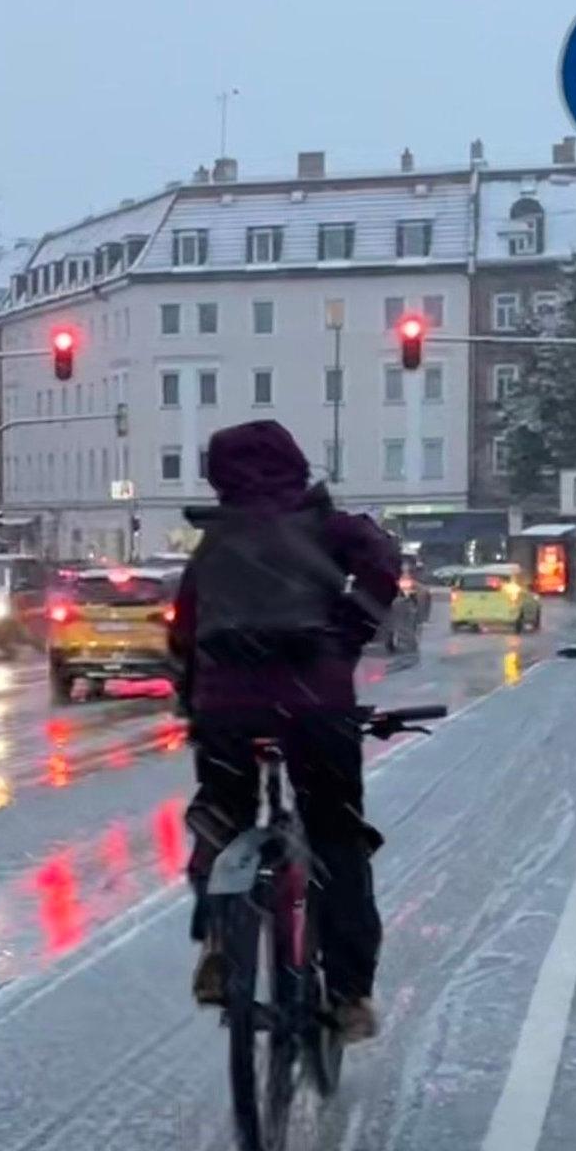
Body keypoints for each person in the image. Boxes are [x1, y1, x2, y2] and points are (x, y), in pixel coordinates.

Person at [167, 419, 403, 1040]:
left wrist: (195, 708)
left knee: (220, 818)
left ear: (218, 476)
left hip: (227, 711)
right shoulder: (326, 525)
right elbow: (383, 561)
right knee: (335, 835)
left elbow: (184, 635)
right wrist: (347, 637)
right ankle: (350, 995)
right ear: (296, 462)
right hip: (315, 705)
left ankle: (221, 941)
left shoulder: (212, 546)